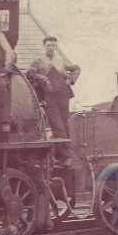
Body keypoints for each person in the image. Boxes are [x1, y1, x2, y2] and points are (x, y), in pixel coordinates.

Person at [26, 36, 80, 166]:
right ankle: (67, 157)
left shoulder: (61, 60)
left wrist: (70, 80)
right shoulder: (38, 61)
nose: (51, 48)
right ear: (44, 46)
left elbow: (77, 68)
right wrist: (42, 77)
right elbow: (29, 73)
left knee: (65, 125)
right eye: (48, 45)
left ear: (56, 47)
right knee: (57, 126)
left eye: (53, 45)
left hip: (63, 94)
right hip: (49, 96)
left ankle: (63, 156)